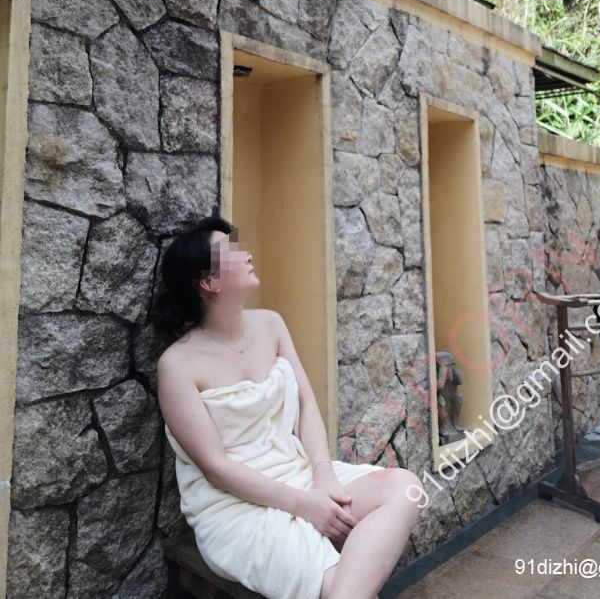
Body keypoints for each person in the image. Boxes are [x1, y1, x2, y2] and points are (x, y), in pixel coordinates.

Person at [152, 214, 422, 599]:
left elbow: (306, 405)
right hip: (237, 507)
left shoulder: (271, 325)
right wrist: (305, 505)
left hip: (301, 474)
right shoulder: (177, 365)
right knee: (344, 584)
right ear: (209, 282)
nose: (246, 254)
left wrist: (324, 476)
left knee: (406, 489)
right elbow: (215, 467)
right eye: (230, 251)